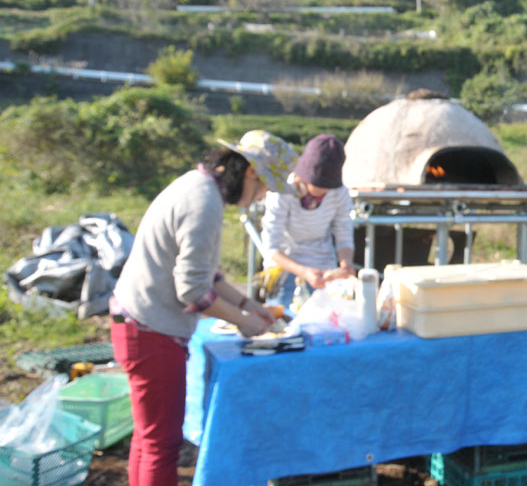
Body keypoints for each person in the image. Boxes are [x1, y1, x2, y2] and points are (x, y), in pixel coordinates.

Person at [110, 129, 299, 486]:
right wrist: (245, 321)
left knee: (148, 438)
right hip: (150, 329)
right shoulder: (204, 203)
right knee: (161, 445)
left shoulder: (199, 186)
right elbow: (194, 293)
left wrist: (247, 303)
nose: (259, 199)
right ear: (250, 173)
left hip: (138, 322)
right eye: (263, 190)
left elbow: (205, 276)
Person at [261, 133, 355, 307]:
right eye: (318, 185)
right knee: (287, 321)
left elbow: (344, 233)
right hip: (285, 268)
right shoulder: (282, 192)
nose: (323, 191)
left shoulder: (339, 193)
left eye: (328, 186)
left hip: (324, 266)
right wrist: (303, 272)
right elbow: (271, 247)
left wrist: (346, 263)